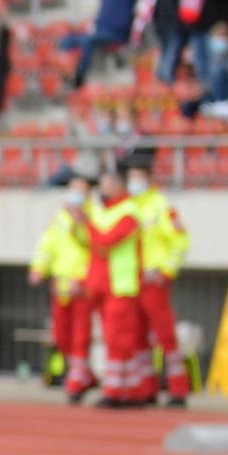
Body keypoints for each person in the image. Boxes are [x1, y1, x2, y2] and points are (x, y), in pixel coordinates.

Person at [127, 158, 190, 407]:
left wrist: (166, 271)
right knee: (137, 336)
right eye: (131, 178)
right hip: (132, 280)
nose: (133, 183)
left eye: (137, 178)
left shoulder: (161, 206)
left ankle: (178, 389)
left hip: (154, 280)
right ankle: (146, 388)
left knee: (165, 334)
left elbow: (180, 240)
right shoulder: (128, 206)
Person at [82, 167, 146, 409]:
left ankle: (119, 390)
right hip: (102, 283)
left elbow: (104, 241)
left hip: (120, 284)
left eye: (106, 183)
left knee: (120, 339)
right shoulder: (103, 211)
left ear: (118, 185)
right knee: (112, 339)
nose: (102, 188)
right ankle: (126, 389)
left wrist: (86, 224)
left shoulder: (129, 211)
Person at [29, 176, 95, 401]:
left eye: (80, 191)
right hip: (61, 286)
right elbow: (47, 245)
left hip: (82, 286)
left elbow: (95, 249)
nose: (75, 195)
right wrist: (39, 268)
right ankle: (83, 373)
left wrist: (85, 279)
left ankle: (77, 379)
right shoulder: (59, 218)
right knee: (61, 335)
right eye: (72, 190)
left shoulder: (94, 216)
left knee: (81, 334)